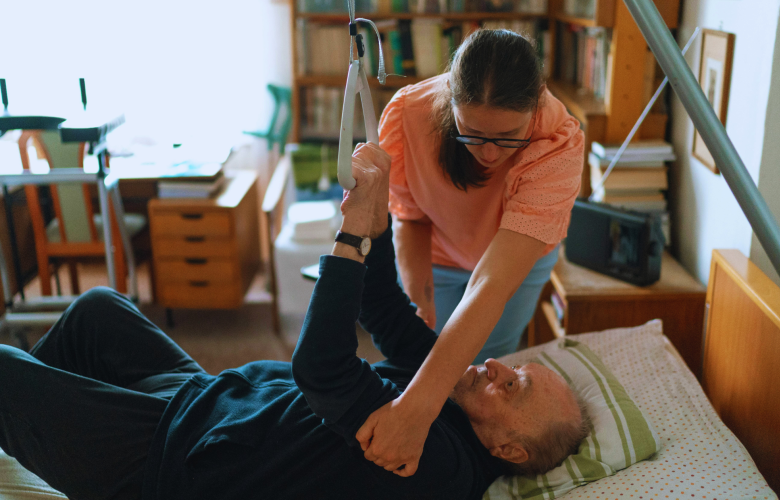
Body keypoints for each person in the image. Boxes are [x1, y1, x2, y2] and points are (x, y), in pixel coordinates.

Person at [0, 144, 586, 500]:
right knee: (98, 310)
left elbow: (322, 370)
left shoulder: (438, 467)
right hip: (210, 401)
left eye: (516, 388)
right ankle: (36, 436)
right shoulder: (445, 390)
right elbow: (382, 308)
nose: (498, 368)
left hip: (173, 465)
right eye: (517, 369)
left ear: (508, 451)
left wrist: (352, 234)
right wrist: (375, 212)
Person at [358, 28, 585, 476]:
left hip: (513, 266)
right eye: (472, 133)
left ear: (535, 103)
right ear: (450, 103)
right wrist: (417, 294)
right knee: (425, 359)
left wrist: (415, 415)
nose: (487, 152)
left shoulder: (558, 142)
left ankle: (458, 468)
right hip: (439, 250)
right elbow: (411, 216)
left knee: (483, 378)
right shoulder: (409, 113)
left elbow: (492, 283)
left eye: (507, 137)